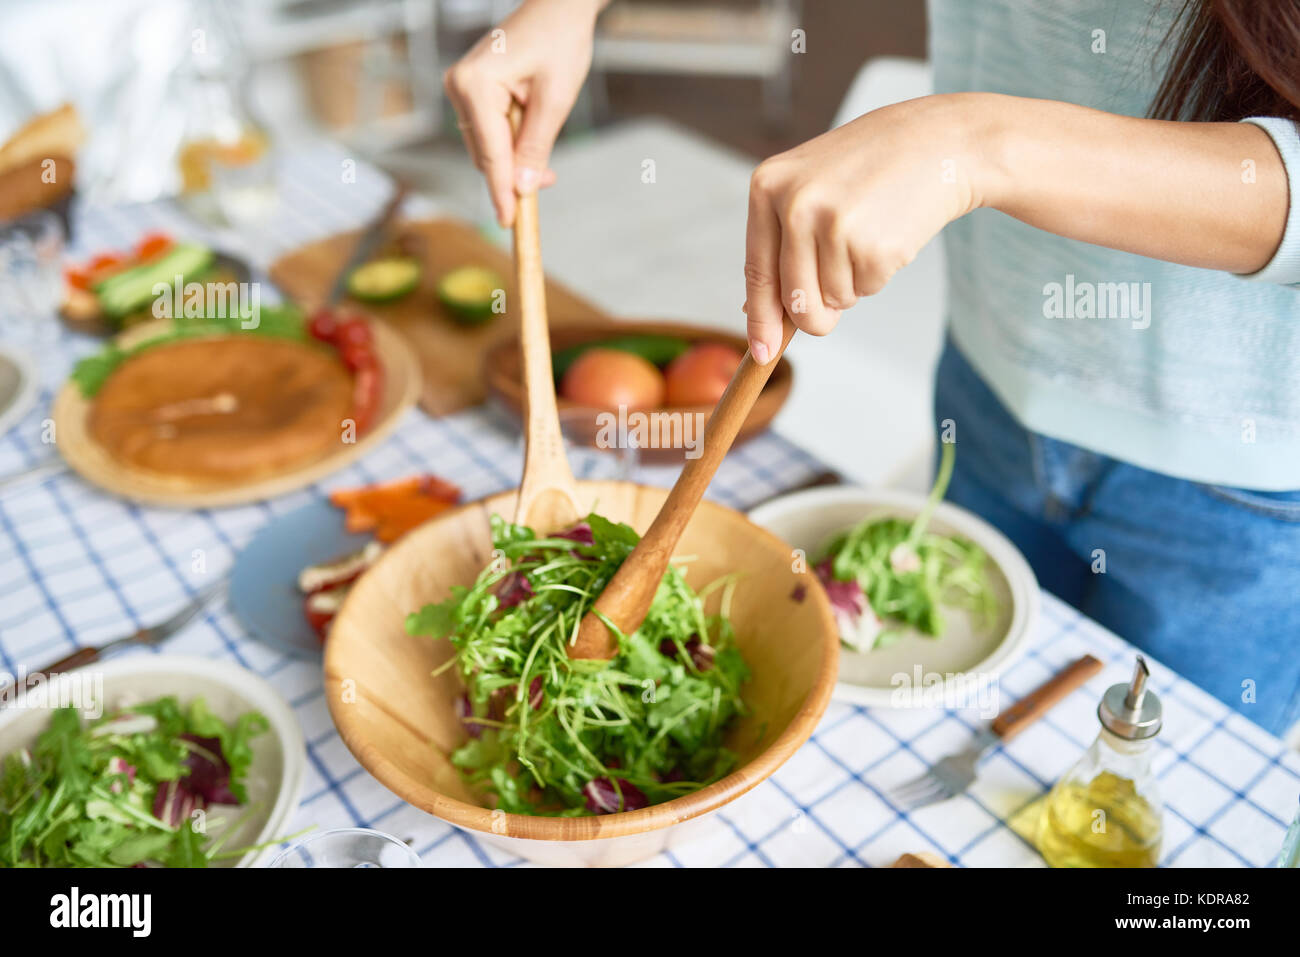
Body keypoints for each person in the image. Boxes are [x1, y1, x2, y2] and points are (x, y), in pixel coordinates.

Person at [443, 0, 1300, 736]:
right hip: (991, 381)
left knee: (1165, 815)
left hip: (1240, 482)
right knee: (974, 733)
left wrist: (978, 142)